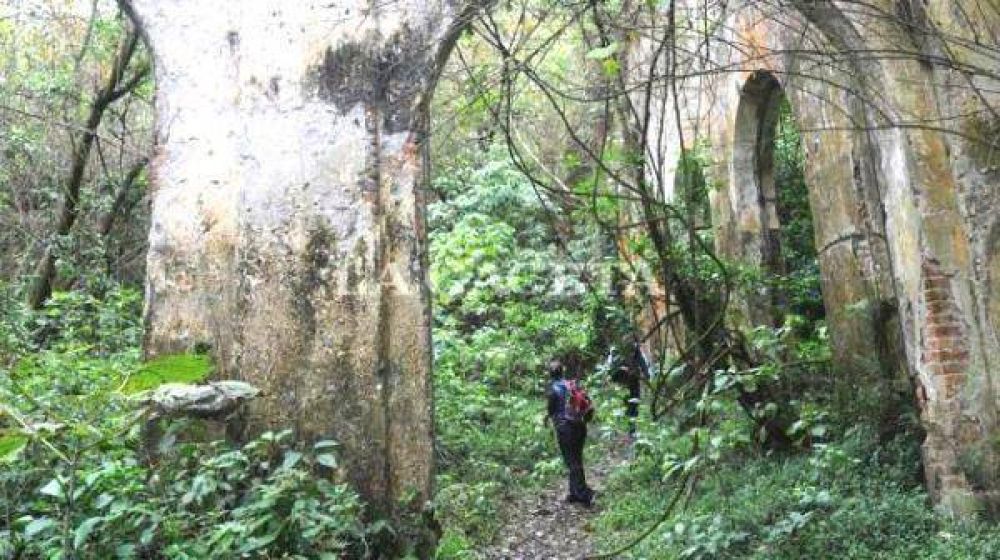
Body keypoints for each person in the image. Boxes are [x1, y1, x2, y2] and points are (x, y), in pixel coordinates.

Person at [545, 359, 594, 506]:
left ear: (550, 374)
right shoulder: (572, 385)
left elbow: (551, 410)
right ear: (563, 371)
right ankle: (575, 493)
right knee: (577, 459)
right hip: (580, 425)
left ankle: (584, 494)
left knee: (571, 461)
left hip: (565, 428)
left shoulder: (553, 389)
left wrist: (547, 419)